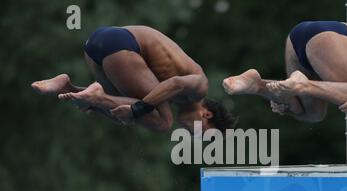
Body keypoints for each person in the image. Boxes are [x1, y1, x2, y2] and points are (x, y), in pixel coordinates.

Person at [223, 21, 347, 174]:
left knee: (311, 114)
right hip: (329, 36)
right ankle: (302, 85)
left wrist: (286, 103)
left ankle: (257, 85)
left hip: (298, 43)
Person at [32, 25, 236, 134]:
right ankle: (95, 97)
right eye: (200, 133)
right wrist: (139, 108)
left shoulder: (178, 99)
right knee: (163, 122)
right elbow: (175, 83)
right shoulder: (200, 88)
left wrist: (134, 111)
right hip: (122, 44)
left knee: (122, 116)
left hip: (96, 44)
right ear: (206, 114)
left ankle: (66, 86)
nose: (192, 135)